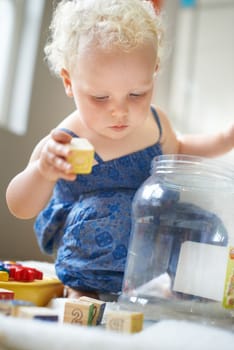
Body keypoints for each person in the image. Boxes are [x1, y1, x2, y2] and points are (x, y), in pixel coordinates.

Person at [6, 0, 234, 300]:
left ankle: (181, 294)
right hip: (94, 238)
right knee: (107, 212)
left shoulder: (155, 122)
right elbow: (19, 205)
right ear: (69, 81)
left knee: (203, 225)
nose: (120, 111)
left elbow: (179, 149)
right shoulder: (64, 138)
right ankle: (83, 289)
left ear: (154, 72)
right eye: (100, 97)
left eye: (137, 93)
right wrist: (42, 171)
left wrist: (226, 137)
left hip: (149, 231)